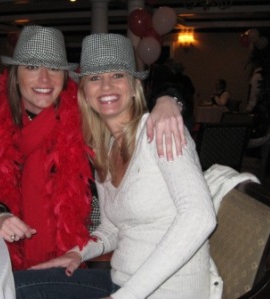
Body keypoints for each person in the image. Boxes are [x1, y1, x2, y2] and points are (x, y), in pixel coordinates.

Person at [13, 33, 217, 299]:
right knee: (15, 286)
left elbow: (200, 217)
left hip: (168, 291)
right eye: (95, 78)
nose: (106, 86)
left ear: (134, 86)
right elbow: (111, 228)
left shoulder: (159, 131)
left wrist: (126, 296)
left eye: (117, 75)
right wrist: (78, 253)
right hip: (120, 281)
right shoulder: (105, 148)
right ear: (84, 91)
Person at [0, 25, 186, 271]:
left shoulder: (87, 118)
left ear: (65, 76)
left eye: (54, 68)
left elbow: (128, 92)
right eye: (31, 67)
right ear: (14, 75)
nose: (44, 78)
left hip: (87, 255)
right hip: (5, 260)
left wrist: (169, 100)